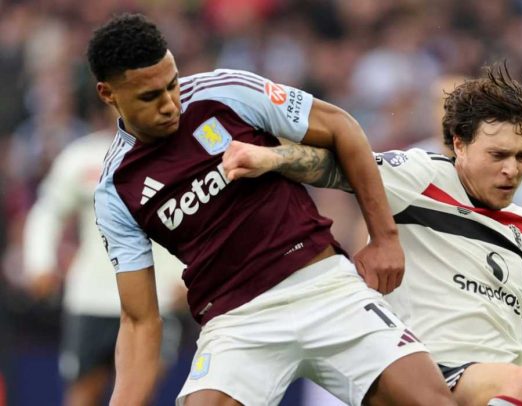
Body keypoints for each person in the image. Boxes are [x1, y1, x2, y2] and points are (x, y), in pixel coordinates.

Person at [221, 64, 522, 406]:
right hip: (423, 376)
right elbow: (338, 166)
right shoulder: (421, 176)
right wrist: (270, 158)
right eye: (498, 155)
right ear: (459, 145)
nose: (513, 170)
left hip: (490, 388)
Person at [87, 13, 455, 406]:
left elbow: (342, 127)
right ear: (109, 94)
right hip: (236, 323)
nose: (170, 104)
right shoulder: (115, 188)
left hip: (324, 286)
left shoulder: (224, 91)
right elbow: (141, 321)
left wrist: (384, 237)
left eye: (172, 84)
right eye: (150, 96)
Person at [22, 117, 187, 406]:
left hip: (157, 297)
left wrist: (190, 276)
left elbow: (197, 217)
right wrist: (40, 264)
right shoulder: (82, 157)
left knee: (138, 395)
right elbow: (47, 212)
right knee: (84, 394)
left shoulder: (178, 152)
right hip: (91, 297)